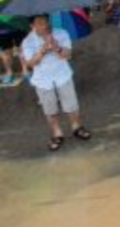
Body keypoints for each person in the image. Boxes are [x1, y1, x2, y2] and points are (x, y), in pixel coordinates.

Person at [22, 14, 91, 150]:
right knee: (50, 109)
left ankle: (76, 127)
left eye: (46, 22)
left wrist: (56, 47)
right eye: (40, 23)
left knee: (71, 105)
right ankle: (57, 133)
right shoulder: (27, 42)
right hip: (42, 79)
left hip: (62, 74)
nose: (45, 25)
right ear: (32, 26)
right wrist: (41, 52)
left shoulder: (61, 33)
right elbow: (30, 64)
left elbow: (68, 55)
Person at [0, 0, 26, 87]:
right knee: (6, 53)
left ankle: (26, 71)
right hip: (2, 30)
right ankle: (9, 72)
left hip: (18, 26)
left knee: (22, 50)